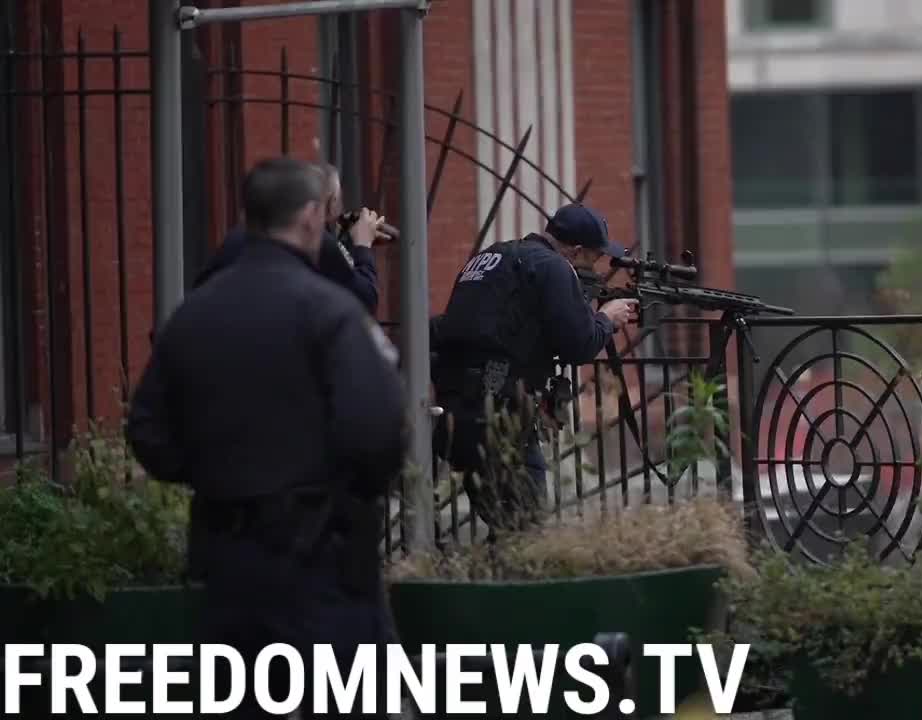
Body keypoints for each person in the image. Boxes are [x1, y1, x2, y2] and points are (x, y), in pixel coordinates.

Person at [125, 157, 406, 718]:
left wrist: (217, 470)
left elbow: (148, 430)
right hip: (320, 551)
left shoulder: (193, 315)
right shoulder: (330, 312)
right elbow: (378, 431)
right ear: (309, 217)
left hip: (227, 553)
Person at [432, 202, 638, 535]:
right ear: (575, 250)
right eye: (594, 257)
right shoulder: (553, 268)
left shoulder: (493, 257)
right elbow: (580, 344)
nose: (597, 265)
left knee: (507, 525)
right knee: (527, 531)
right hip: (500, 416)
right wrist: (606, 319)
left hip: (459, 410)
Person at [193, 162, 387, 315]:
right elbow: (364, 298)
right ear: (317, 209)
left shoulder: (235, 240)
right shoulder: (316, 242)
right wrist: (362, 244)